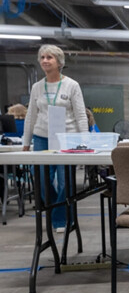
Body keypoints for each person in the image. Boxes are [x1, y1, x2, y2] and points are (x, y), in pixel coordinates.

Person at [23, 45, 89, 232]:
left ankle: (60, 220)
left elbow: (81, 115)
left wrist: (85, 141)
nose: (45, 60)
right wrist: (26, 143)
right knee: (42, 182)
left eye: (49, 57)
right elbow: (30, 116)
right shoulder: (37, 87)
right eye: (42, 57)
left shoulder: (72, 85)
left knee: (65, 181)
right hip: (42, 137)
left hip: (68, 138)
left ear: (59, 62)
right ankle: (59, 213)